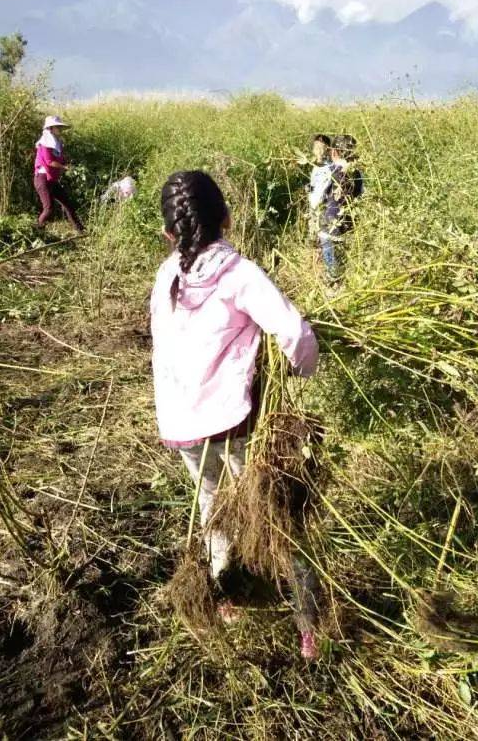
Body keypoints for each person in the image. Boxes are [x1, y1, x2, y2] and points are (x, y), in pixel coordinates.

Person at [151, 170, 321, 660]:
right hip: (233, 423)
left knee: (213, 509)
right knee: (276, 516)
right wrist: (297, 371)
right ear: (227, 218)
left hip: (182, 426)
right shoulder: (239, 274)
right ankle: (309, 622)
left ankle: (227, 599)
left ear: (170, 234)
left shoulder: (166, 277)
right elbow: (297, 335)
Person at [316, 134, 363, 280]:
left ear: (334, 152)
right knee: (346, 265)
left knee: (333, 271)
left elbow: (317, 198)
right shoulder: (357, 173)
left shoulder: (329, 170)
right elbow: (359, 195)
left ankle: (332, 284)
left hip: (330, 226)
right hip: (348, 226)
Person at [33, 115, 83, 232]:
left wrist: (68, 164)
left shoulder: (57, 143)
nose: (60, 129)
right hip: (42, 178)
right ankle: (37, 231)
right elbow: (49, 161)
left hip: (52, 180)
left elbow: (61, 160)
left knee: (68, 204)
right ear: (50, 128)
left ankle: (80, 230)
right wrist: (64, 167)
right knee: (49, 209)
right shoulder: (44, 143)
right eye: (58, 127)